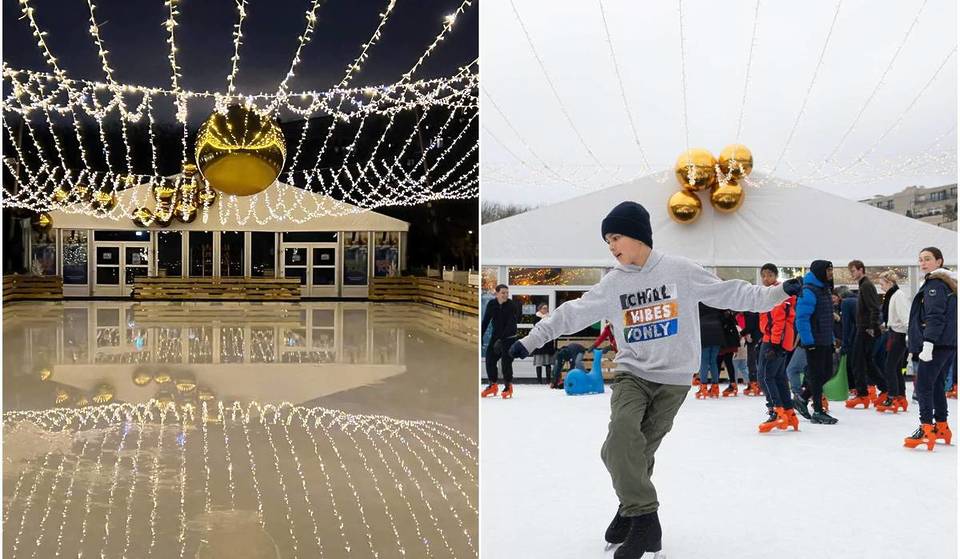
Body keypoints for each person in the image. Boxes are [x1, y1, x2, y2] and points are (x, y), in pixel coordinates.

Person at [507, 201, 801, 559]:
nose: (612, 246)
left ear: (637, 235)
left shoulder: (680, 271)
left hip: (674, 380)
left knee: (639, 451)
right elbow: (572, 313)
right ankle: (646, 519)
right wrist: (529, 340)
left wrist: (782, 290)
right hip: (633, 373)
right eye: (607, 241)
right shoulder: (613, 283)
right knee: (619, 445)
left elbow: (735, 294)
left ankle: (627, 511)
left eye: (615, 237)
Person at [904, 247, 957, 450]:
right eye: (920, 259)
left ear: (939, 261)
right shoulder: (949, 284)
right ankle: (941, 426)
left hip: (936, 345)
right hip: (949, 343)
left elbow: (935, 316)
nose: (923, 263)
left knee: (924, 385)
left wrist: (928, 343)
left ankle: (926, 428)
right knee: (936, 385)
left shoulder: (934, 284)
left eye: (927, 259)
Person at [793, 260, 839, 424]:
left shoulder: (824, 289)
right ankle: (818, 410)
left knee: (827, 372)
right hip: (814, 341)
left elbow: (827, 318)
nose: (831, 273)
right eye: (828, 271)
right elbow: (802, 318)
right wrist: (808, 341)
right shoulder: (809, 291)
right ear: (820, 271)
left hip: (825, 339)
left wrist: (832, 339)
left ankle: (803, 398)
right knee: (817, 374)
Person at [756, 263, 799, 431]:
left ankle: (776, 412)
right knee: (779, 377)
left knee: (765, 377)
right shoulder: (771, 293)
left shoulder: (777, 294)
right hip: (777, 339)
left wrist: (773, 344)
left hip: (775, 340)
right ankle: (789, 413)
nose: (766, 279)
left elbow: (779, 320)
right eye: (763, 276)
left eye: (769, 275)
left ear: (775, 276)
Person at [845, 260, 884, 408]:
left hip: (866, 329)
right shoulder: (864, 285)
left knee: (858, 361)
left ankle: (863, 394)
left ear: (861, 270)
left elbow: (874, 308)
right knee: (866, 362)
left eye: (853, 271)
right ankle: (884, 389)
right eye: (851, 271)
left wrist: (872, 327)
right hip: (864, 328)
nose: (852, 274)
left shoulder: (866, 285)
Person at [875, 271, 910, 413]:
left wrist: (909, 336)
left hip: (898, 335)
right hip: (895, 333)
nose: (881, 287)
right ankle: (900, 396)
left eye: (882, 284)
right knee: (895, 367)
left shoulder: (897, 296)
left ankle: (892, 397)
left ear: (890, 283)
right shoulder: (893, 295)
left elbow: (904, 317)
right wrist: (886, 325)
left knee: (889, 367)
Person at [480, 284, 520, 399]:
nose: (505, 295)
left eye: (507, 293)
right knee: (490, 359)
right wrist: (481, 336)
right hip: (495, 336)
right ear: (496, 293)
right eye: (503, 293)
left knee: (506, 362)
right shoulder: (492, 304)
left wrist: (502, 340)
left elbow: (511, 324)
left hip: (509, 337)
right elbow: (485, 321)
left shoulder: (511, 305)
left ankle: (508, 386)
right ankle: (493, 385)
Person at [696, 304, 725, 399]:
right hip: (717, 332)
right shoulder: (714, 302)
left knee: (704, 361)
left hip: (704, 331)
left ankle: (703, 387)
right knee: (713, 361)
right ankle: (715, 387)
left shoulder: (699, 303)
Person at [531, 304, 556, 384]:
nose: (545, 310)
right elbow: (537, 326)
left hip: (547, 342)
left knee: (547, 363)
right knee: (539, 363)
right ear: (540, 309)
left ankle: (548, 380)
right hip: (539, 342)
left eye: (546, 308)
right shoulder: (536, 318)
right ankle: (539, 381)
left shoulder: (549, 318)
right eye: (544, 308)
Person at [739, 311, 763, 395]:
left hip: (753, 338)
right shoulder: (758, 309)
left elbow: (750, 325)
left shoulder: (749, 310)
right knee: (758, 361)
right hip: (760, 336)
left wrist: (742, 333)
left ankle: (754, 383)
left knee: (752, 361)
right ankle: (760, 383)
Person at [719, 309, 741, 396]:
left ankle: (715, 385)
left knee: (718, 362)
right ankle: (733, 384)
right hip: (731, 342)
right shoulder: (730, 316)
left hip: (725, 342)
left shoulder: (721, 316)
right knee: (728, 363)